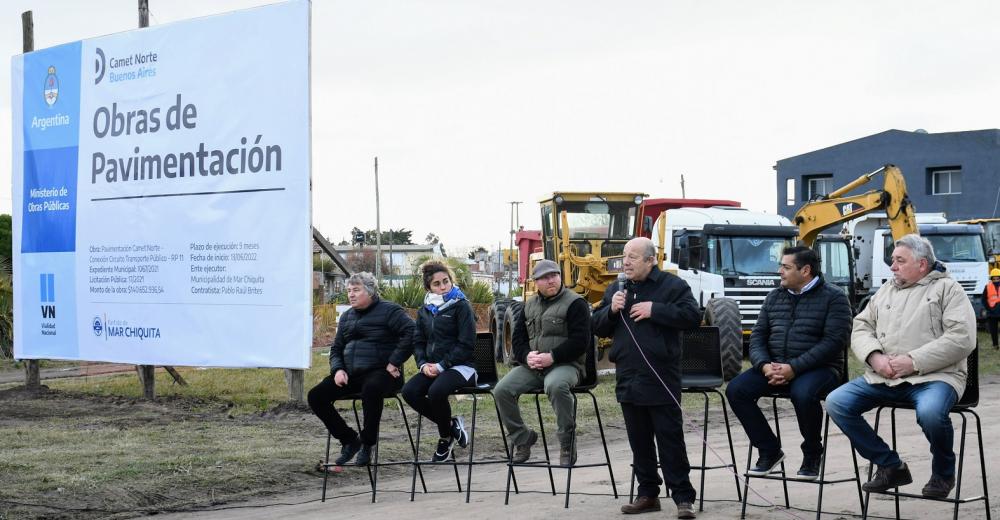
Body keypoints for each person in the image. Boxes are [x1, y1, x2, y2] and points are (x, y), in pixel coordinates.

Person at [826, 234, 976, 499]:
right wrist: (875, 357)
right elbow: (861, 327)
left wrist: (914, 361)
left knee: (930, 413)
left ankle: (943, 474)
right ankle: (890, 466)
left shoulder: (949, 289)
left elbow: (962, 338)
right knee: (837, 402)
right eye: (892, 260)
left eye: (899, 261)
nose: (892, 267)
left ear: (922, 264)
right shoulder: (887, 289)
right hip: (885, 376)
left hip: (936, 377)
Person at [592, 237, 701, 519]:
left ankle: (683, 498)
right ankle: (648, 494)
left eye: (633, 257)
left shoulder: (672, 285)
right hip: (628, 374)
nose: (625, 262)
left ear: (651, 260)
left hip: (660, 374)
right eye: (624, 256)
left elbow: (692, 316)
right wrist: (611, 310)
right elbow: (596, 325)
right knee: (639, 440)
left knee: (669, 439)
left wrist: (656, 310)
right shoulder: (617, 288)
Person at [725, 246, 851, 481]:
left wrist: (794, 368)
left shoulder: (834, 297)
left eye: (786, 267)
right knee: (736, 390)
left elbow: (833, 343)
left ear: (805, 270)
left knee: (802, 393)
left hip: (821, 369)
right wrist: (764, 366)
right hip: (775, 367)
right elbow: (758, 337)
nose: (779, 271)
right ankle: (769, 451)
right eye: (780, 266)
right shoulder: (774, 296)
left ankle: (812, 454)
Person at [307, 272, 414, 467]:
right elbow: (336, 348)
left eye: (356, 290)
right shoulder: (347, 316)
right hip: (351, 375)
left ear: (370, 291)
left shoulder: (390, 311)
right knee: (316, 396)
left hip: (383, 373)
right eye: (349, 290)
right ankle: (349, 440)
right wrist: (338, 370)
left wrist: (395, 361)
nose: (351, 294)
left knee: (371, 389)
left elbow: (412, 332)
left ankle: (367, 443)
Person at [493, 259, 590, 467]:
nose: (551, 280)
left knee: (555, 386)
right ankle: (522, 438)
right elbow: (518, 340)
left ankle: (567, 442)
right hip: (534, 366)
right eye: (545, 278)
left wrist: (552, 357)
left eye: (554, 275)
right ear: (535, 282)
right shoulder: (529, 305)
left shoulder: (575, 303)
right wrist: (526, 356)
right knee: (501, 390)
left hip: (566, 365)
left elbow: (581, 342)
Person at [401, 261, 476, 462]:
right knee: (409, 391)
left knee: (436, 392)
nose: (443, 287)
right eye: (437, 284)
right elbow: (418, 342)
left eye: (446, 281)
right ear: (429, 287)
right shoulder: (425, 310)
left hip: (462, 367)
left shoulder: (462, 306)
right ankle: (451, 425)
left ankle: (445, 437)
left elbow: (466, 344)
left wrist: (442, 365)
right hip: (433, 367)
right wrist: (423, 364)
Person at [982, 267, 1000, 349]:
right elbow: (983, 300)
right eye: (994, 279)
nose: (996, 280)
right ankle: (995, 345)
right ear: (991, 279)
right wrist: (989, 309)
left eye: (998, 278)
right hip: (992, 313)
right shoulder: (987, 287)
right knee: (993, 330)